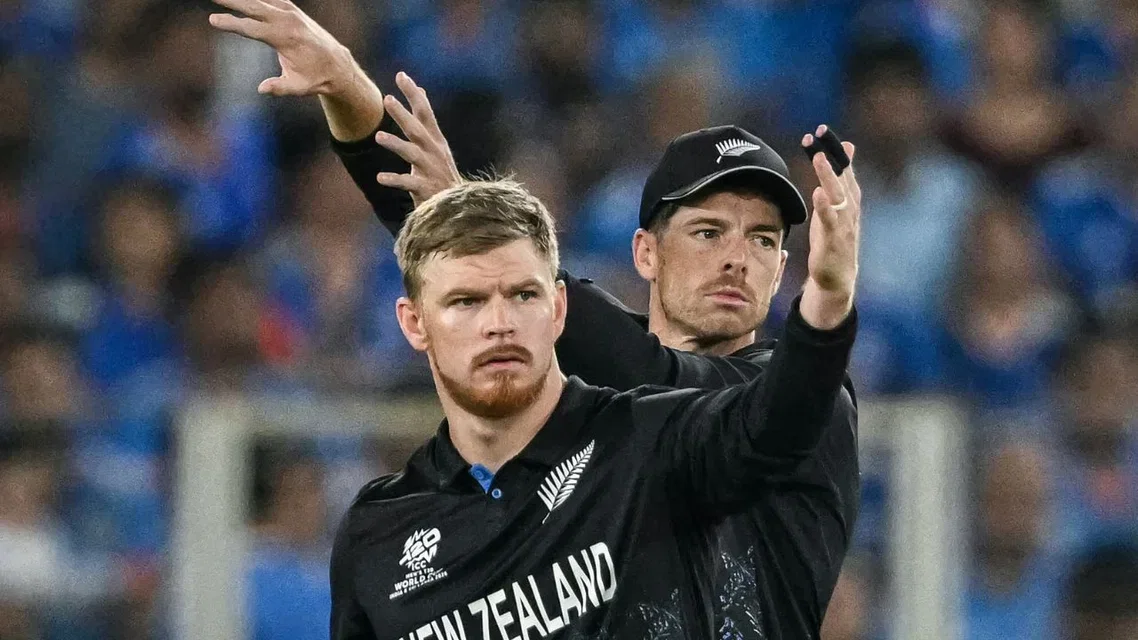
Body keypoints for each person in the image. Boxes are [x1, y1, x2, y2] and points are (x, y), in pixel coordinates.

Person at [208, 1, 862, 637]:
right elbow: (461, 273)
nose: (737, 259)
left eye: (764, 240)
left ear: (783, 270)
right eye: (709, 231)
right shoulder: (572, 408)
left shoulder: (807, 393)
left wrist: (827, 302)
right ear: (645, 252)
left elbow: (652, 375)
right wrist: (350, 93)